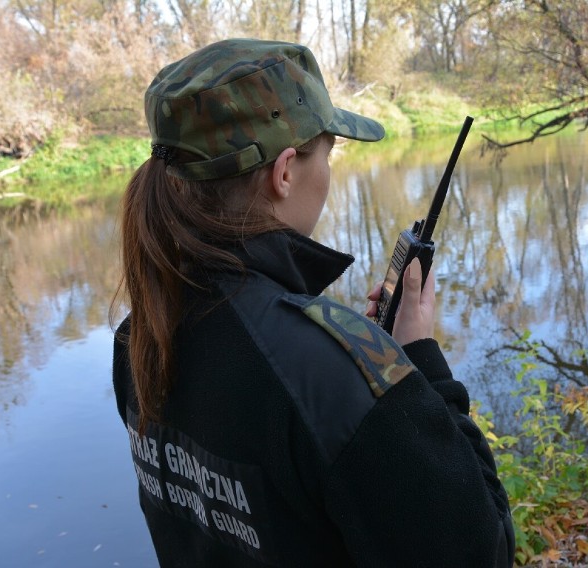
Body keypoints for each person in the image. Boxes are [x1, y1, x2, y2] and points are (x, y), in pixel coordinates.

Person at [111, 38, 515, 567]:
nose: (327, 170)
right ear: (284, 172)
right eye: (328, 151)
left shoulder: (141, 335)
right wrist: (420, 362)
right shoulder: (332, 375)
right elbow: (481, 552)